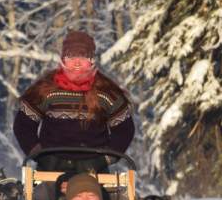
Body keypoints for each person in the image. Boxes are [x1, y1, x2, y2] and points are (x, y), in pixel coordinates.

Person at [13, 30, 134, 173]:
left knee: (100, 196)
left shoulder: (107, 93)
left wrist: (104, 160)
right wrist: (41, 156)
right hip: (51, 166)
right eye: (71, 56)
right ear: (63, 59)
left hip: (94, 167)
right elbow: (23, 126)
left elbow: (124, 130)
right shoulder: (45, 90)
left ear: (91, 60)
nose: (77, 63)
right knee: (39, 196)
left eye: (83, 56)